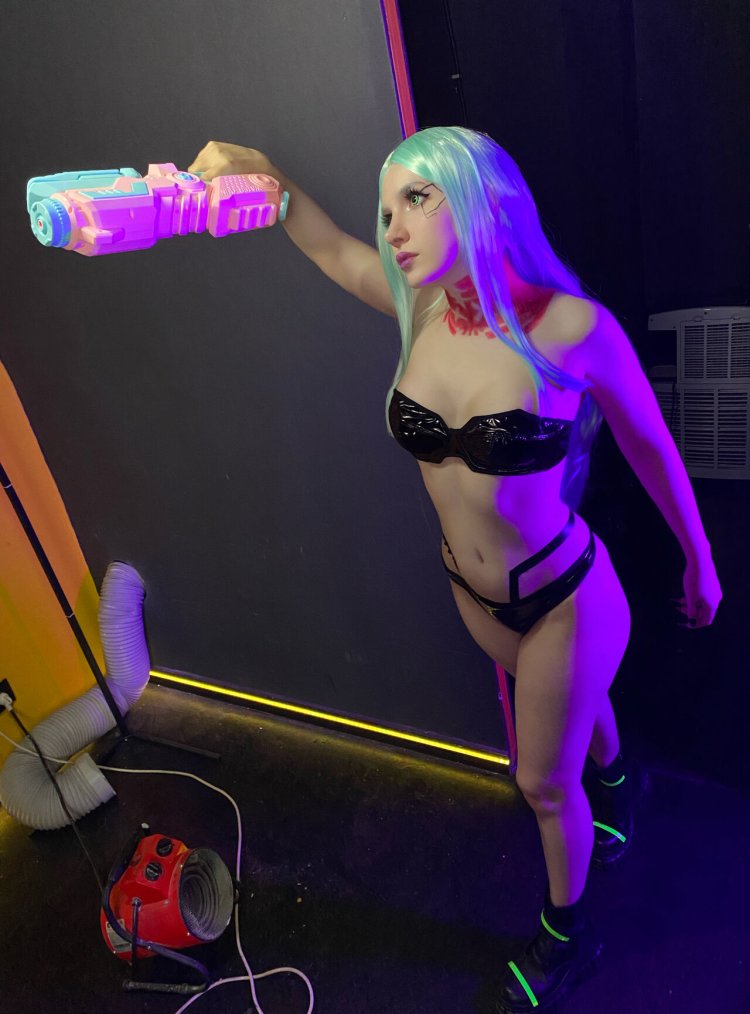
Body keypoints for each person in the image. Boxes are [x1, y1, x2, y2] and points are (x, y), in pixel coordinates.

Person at [188, 127, 722, 1012]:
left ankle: (567, 937)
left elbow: (650, 444)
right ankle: (622, 780)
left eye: (416, 198)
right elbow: (331, 248)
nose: (392, 227)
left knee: (542, 782)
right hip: (475, 597)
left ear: (479, 196)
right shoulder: (420, 310)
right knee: (567, 713)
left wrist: (700, 560)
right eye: (386, 208)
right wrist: (266, 179)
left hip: (564, 598)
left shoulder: (572, 328)